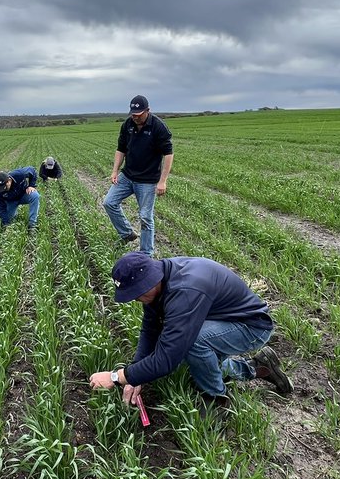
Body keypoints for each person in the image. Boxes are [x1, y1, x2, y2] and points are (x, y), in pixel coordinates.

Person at [89, 251, 292, 408]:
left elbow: (166, 360)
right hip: (220, 320)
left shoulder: (185, 291)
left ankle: (216, 399)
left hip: (251, 326)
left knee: (192, 343)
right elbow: (150, 330)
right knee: (200, 362)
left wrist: (117, 377)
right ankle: (259, 366)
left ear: (150, 279)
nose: (135, 298)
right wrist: (135, 374)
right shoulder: (158, 281)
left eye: (137, 293)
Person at [104, 94, 173, 256]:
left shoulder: (158, 127)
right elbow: (121, 149)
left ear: (147, 111)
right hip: (127, 176)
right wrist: (115, 171)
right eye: (133, 114)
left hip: (148, 181)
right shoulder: (127, 125)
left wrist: (163, 181)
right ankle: (127, 234)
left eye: (138, 114)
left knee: (145, 217)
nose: (135, 117)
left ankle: (146, 254)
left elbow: (168, 154)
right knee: (109, 203)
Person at [0, 167, 40, 232]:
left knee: (35, 195)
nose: (2, 190)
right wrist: (6, 225)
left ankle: (32, 224)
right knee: (8, 218)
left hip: (24, 194)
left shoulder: (19, 174)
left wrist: (31, 185)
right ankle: (14, 215)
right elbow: (0, 208)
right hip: (11, 201)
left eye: (4, 187)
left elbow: (32, 170)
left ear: (9, 181)